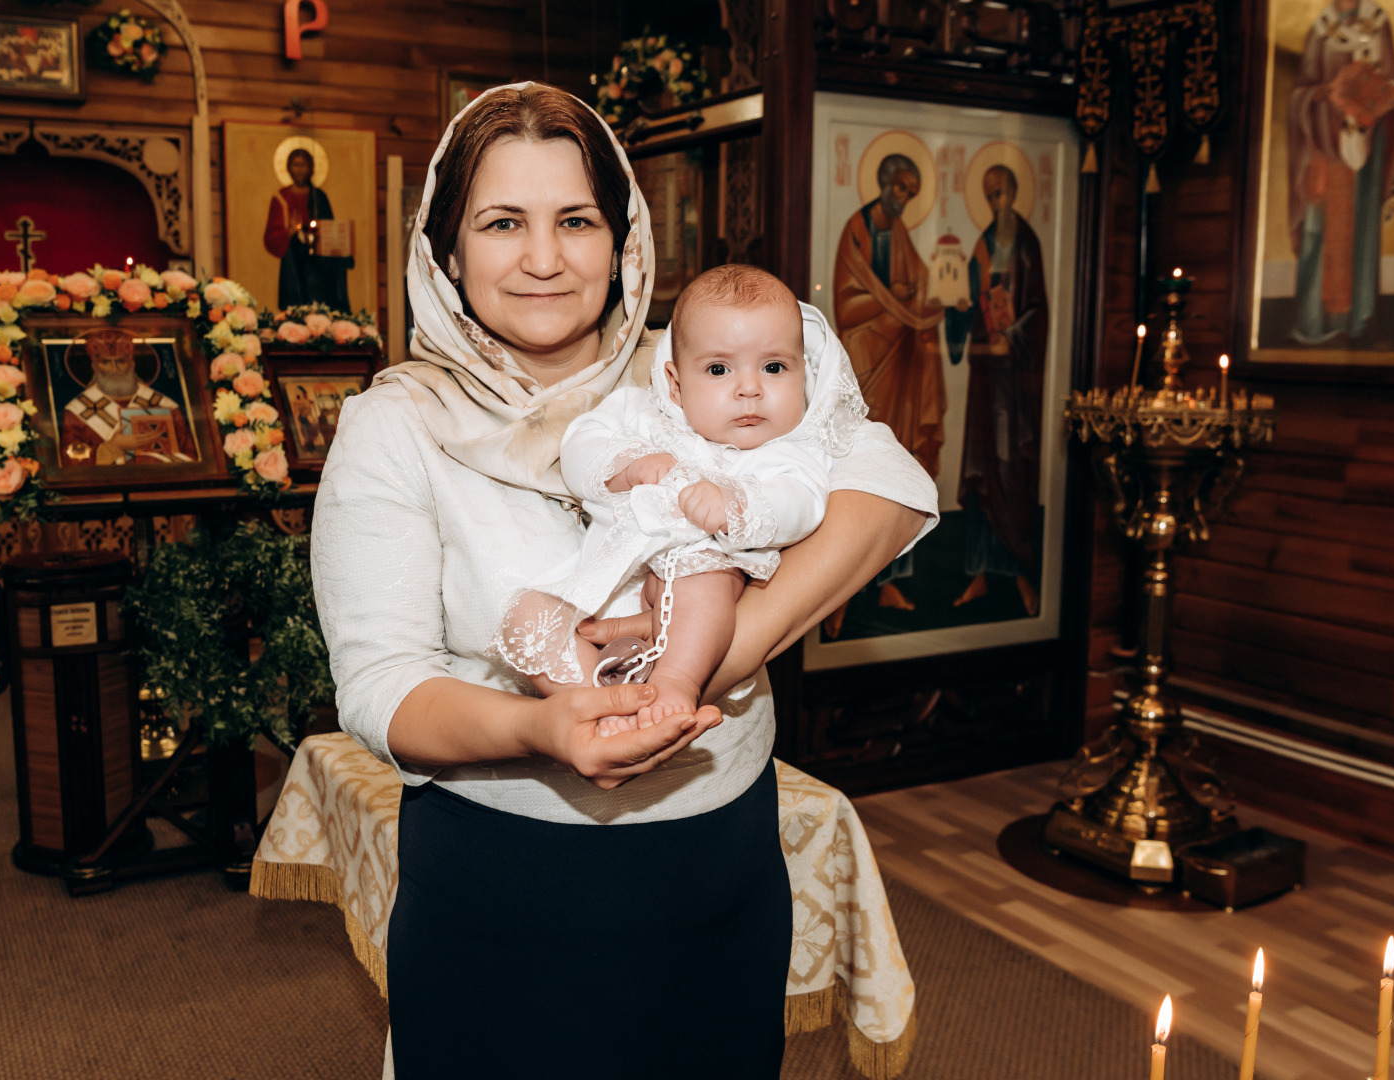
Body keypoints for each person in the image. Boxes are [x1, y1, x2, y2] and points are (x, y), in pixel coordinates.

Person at [310, 82, 937, 1080]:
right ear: (447, 248)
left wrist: (724, 644)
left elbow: (893, 484)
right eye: (503, 222)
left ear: (625, 237)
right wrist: (540, 730)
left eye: (576, 221)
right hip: (503, 888)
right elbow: (380, 687)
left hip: (714, 870)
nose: (545, 258)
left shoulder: (692, 371)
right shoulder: (395, 426)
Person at [496, 265, 865, 732]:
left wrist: (736, 503)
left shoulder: (786, 452)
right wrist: (626, 465)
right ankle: (595, 705)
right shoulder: (645, 414)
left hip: (697, 605)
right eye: (718, 369)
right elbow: (581, 441)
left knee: (703, 575)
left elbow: (802, 502)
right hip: (614, 588)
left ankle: (673, 683)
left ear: (803, 374)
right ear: (674, 383)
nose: (749, 388)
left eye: (774, 367)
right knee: (527, 615)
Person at [832, 151, 950, 622]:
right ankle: (836, 589)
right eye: (900, 187)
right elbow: (847, 302)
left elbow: (919, 283)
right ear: (882, 182)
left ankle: (886, 586)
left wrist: (932, 296)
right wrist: (895, 303)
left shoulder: (899, 233)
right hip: (865, 358)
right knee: (855, 471)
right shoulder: (857, 231)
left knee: (894, 467)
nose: (903, 198)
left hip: (898, 361)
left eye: (911, 193)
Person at [944, 164, 1048, 616]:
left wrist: (1016, 333)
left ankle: (1022, 572)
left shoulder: (1027, 245)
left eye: (1002, 193)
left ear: (1015, 193)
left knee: (1013, 469)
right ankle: (982, 573)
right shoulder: (982, 248)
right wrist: (959, 312)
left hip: (1017, 384)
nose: (996, 203)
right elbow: (962, 310)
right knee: (984, 469)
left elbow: (1039, 310)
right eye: (989, 197)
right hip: (987, 378)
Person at [1286, 0, 1394, 347]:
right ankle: (1313, 320)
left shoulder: (1378, 24)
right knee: (1317, 230)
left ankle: (1357, 319)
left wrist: (1372, 96)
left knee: (1360, 229)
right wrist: (1322, 94)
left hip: (1364, 151)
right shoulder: (1320, 31)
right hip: (1324, 149)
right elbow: (1299, 93)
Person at [59, 327, 194, 467]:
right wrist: (112, 447)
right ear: (94, 366)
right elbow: (70, 456)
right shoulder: (78, 410)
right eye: (105, 362)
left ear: (132, 365)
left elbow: (189, 455)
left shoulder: (164, 405)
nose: (114, 369)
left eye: (120, 361)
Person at [262, 147, 352, 310]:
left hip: (318, 265)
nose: (300, 169)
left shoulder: (319, 197)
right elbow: (271, 238)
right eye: (296, 165)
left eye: (303, 165)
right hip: (293, 264)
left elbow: (329, 229)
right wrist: (289, 232)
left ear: (311, 168)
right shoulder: (280, 198)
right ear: (288, 167)